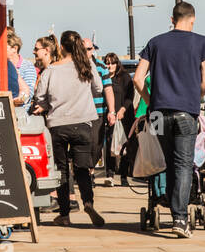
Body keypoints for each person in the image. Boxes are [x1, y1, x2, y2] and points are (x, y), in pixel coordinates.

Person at [133, 2, 205, 239]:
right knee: (183, 165)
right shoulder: (202, 43)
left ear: (172, 18)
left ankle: (172, 209)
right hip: (185, 113)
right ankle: (179, 218)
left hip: (158, 113)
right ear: (193, 19)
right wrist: (193, 98)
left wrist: (150, 101)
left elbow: (138, 79)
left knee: (167, 163)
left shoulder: (155, 42)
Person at [31, 29, 105, 228]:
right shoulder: (86, 65)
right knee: (82, 168)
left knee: (62, 170)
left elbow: (40, 97)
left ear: (61, 47)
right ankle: (88, 202)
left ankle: (64, 214)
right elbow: (98, 88)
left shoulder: (51, 70)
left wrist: (46, 104)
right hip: (83, 122)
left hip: (58, 125)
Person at [83, 37, 116, 184]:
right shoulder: (73, 67)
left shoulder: (101, 67)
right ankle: (86, 172)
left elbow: (108, 90)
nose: (86, 52)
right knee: (83, 143)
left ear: (93, 50)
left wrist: (112, 111)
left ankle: (90, 169)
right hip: (80, 113)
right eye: (83, 49)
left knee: (96, 144)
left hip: (98, 112)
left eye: (89, 49)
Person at [103, 52, 133, 184]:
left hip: (124, 116)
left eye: (112, 63)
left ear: (117, 64)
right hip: (110, 117)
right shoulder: (104, 78)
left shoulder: (124, 77)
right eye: (107, 63)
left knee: (124, 147)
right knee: (110, 145)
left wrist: (122, 109)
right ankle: (110, 174)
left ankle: (123, 176)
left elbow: (129, 96)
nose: (109, 65)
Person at [8, 29, 38, 107]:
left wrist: (20, 100)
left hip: (21, 111)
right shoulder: (2, 65)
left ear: (14, 48)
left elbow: (29, 93)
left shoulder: (27, 67)